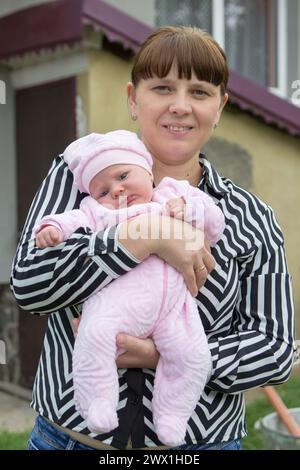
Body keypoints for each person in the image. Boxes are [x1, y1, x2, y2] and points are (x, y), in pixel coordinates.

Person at [11, 26, 296, 451]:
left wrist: (168, 356)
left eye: (199, 93)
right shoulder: (80, 178)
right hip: (68, 441)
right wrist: (146, 236)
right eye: (163, 87)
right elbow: (29, 285)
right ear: (132, 98)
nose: (180, 106)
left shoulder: (249, 217)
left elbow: (276, 348)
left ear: (220, 106)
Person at [34, 129, 225, 446]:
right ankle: (97, 402)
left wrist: (189, 212)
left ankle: (173, 416)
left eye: (123, 175)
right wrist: (52, 229)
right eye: (103, 190)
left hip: (174, 308)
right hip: (118, 305)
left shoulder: (172, 195)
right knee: (93, 337)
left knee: (194, 356)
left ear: (147, 172)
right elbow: (71, 220)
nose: (117, 189)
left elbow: (214, 222)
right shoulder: (99, 212)